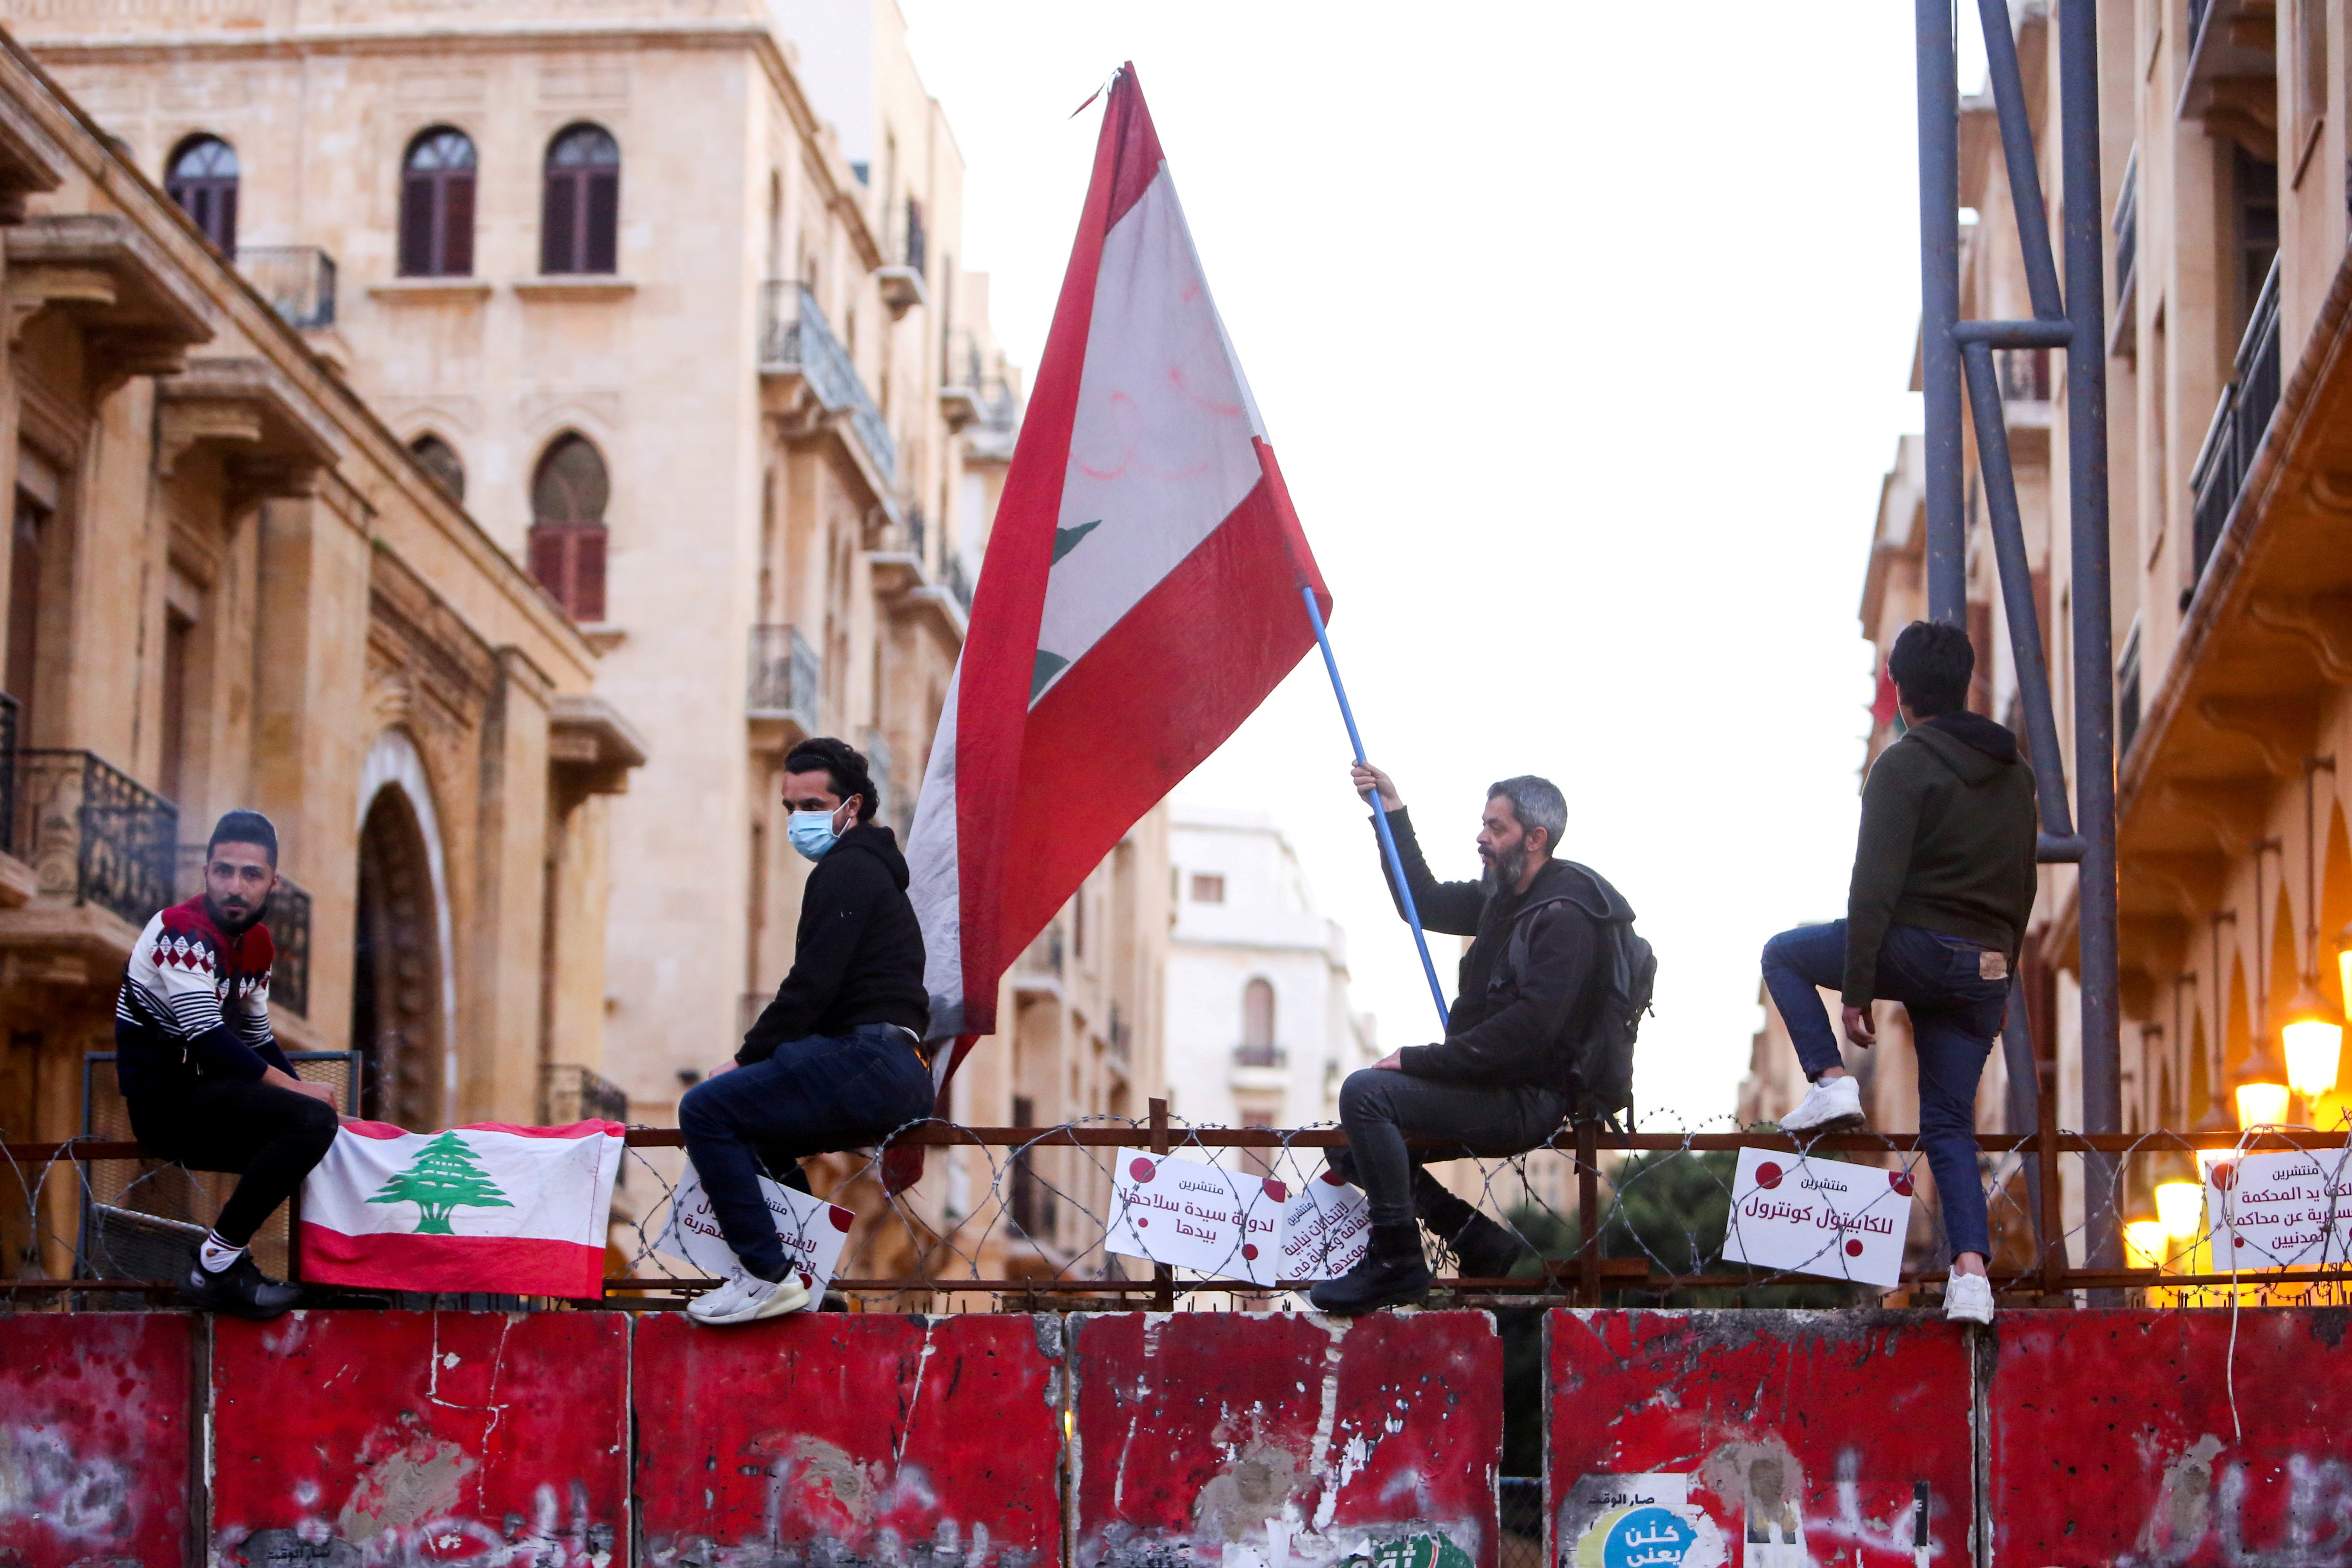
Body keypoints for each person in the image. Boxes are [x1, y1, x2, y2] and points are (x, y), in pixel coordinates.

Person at [1760, 619, 2037, 1326]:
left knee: (1783, 953)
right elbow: (2022, 885)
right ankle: (1971, 1274)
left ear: (1899, 687)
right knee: (1948, 1125)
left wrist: (1855, 994)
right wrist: (2003, 978)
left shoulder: (1903, 763)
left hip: (1918, 948)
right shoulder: (2014, 774)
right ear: (1964, 682)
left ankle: (1828, 1082)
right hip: (1984, 967)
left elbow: (1872, 887)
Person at [1310, 765, 1634, 1316]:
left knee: (1367, 1093)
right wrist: (1391, 813)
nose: (1482, 837)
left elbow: (1530, 1031)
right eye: (1484, 824)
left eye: (1496, 827)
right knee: (1350, 1145)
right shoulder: (1502, 896)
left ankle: (1395, 1262)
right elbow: (1425, 902)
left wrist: (1419, 1059)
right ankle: (1476, 1238)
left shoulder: (1565, 914)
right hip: (1487, 1085)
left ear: (1536, 839)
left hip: (1524, 1098)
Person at [678, 737, 933, 1325]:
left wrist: (746, 1059)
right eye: (790, 806)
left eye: (814, 805)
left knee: (707, 1110)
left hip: (870, 1059)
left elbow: (810, 987)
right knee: (759, 1135)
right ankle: (806, 1276)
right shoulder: (872, 874)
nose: (799, 820)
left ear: (853, 806)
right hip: (892, 1067)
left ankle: (766, 1275)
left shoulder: (849, 870)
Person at [115, 809, 339, 1319]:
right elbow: (208, 1036)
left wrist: (311, 1099)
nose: (234, 887)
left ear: (272, 882)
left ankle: (323, 1274)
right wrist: (302, 1098)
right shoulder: (182, 932)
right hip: (165, 1105)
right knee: (309, 1122)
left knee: (320, 1135)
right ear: (206, 872)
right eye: (224, 871)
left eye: (251, 874)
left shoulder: (256, 944)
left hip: (209, 1097)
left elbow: (257, 1038)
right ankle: (216, 1266)